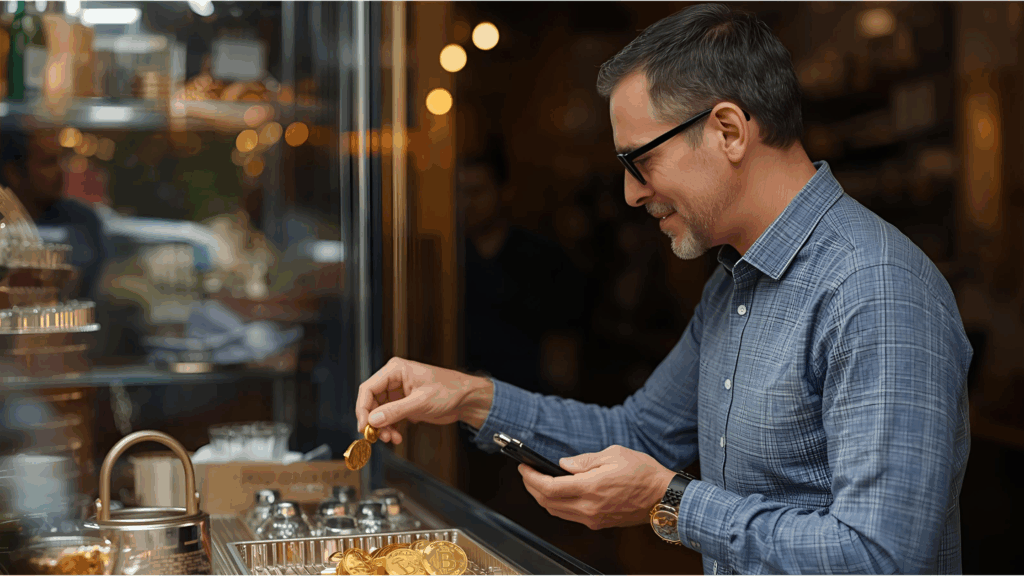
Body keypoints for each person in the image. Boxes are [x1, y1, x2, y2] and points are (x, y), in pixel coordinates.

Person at [355, 4, 971, 574]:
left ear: (728, 130)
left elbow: (882, 556)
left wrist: (669, 501)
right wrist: (467, 396)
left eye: (640, 161)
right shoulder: (734, 280)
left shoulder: (877, 290)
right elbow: (641, 434)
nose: (631, 194)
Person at [0, 125, 108, 300]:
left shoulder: (82, 221)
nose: (60, 171)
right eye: (47, 162)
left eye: (60, 160)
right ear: (13, 172)